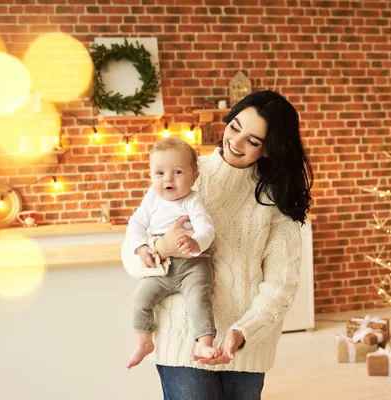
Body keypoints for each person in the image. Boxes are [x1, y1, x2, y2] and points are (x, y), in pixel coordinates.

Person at [122, 90, 313, 400]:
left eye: (253, 141)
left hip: (245, 348)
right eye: (234, 127)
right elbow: (131, 259)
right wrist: (160, 249)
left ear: (268, 150)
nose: (235, 142)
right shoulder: (183, 172)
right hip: (182, 342)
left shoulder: (275, 200)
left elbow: (281, 285)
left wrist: (244, 331)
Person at [125, 137, 218, 369]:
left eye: (177, 172)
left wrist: (196, 244)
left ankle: (206, 342)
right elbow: (135, 224)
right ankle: (144, 341)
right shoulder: (152, 198)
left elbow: (206, 228)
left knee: (198, 299)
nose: (168, 179)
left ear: (194, 178)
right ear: (151, 177)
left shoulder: (193, 200)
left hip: (192, 266)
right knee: (140, 298)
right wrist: (141, 247)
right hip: (162, 266)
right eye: (159, 173)